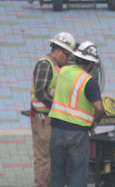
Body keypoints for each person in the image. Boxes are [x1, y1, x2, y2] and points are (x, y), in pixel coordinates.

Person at [49, 42, 104, 187]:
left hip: (56, 130)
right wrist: (96, 121)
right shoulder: (89, 81)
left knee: (56, 174)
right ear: (91, 64)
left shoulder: (62, 71)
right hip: (78, 134)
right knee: (78, 177)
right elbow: (99, 107)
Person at [31, 32, 77, 187]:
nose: (68, 58)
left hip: (49, 118)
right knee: (44, 159)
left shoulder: (57, 67)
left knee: (51, 158)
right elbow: (40, 92)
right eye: (67, 55)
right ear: (59, 50)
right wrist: (58, 108)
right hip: (43, 119)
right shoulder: (45, 64)